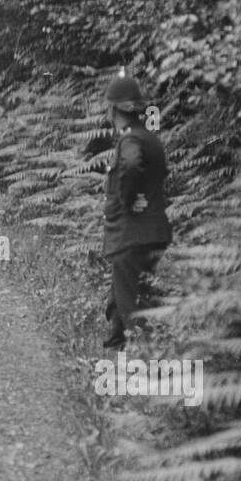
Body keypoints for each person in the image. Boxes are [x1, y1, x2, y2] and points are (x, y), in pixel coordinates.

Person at [102, 72, 172, 349]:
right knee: (123, 294)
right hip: (153, 233)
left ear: (113, 109)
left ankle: (147, 365)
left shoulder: (129, 140)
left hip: (132, 234)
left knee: (134, 307)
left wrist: (126, 199)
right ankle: (115, 344)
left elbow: (130, 165)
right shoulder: (150, 138)